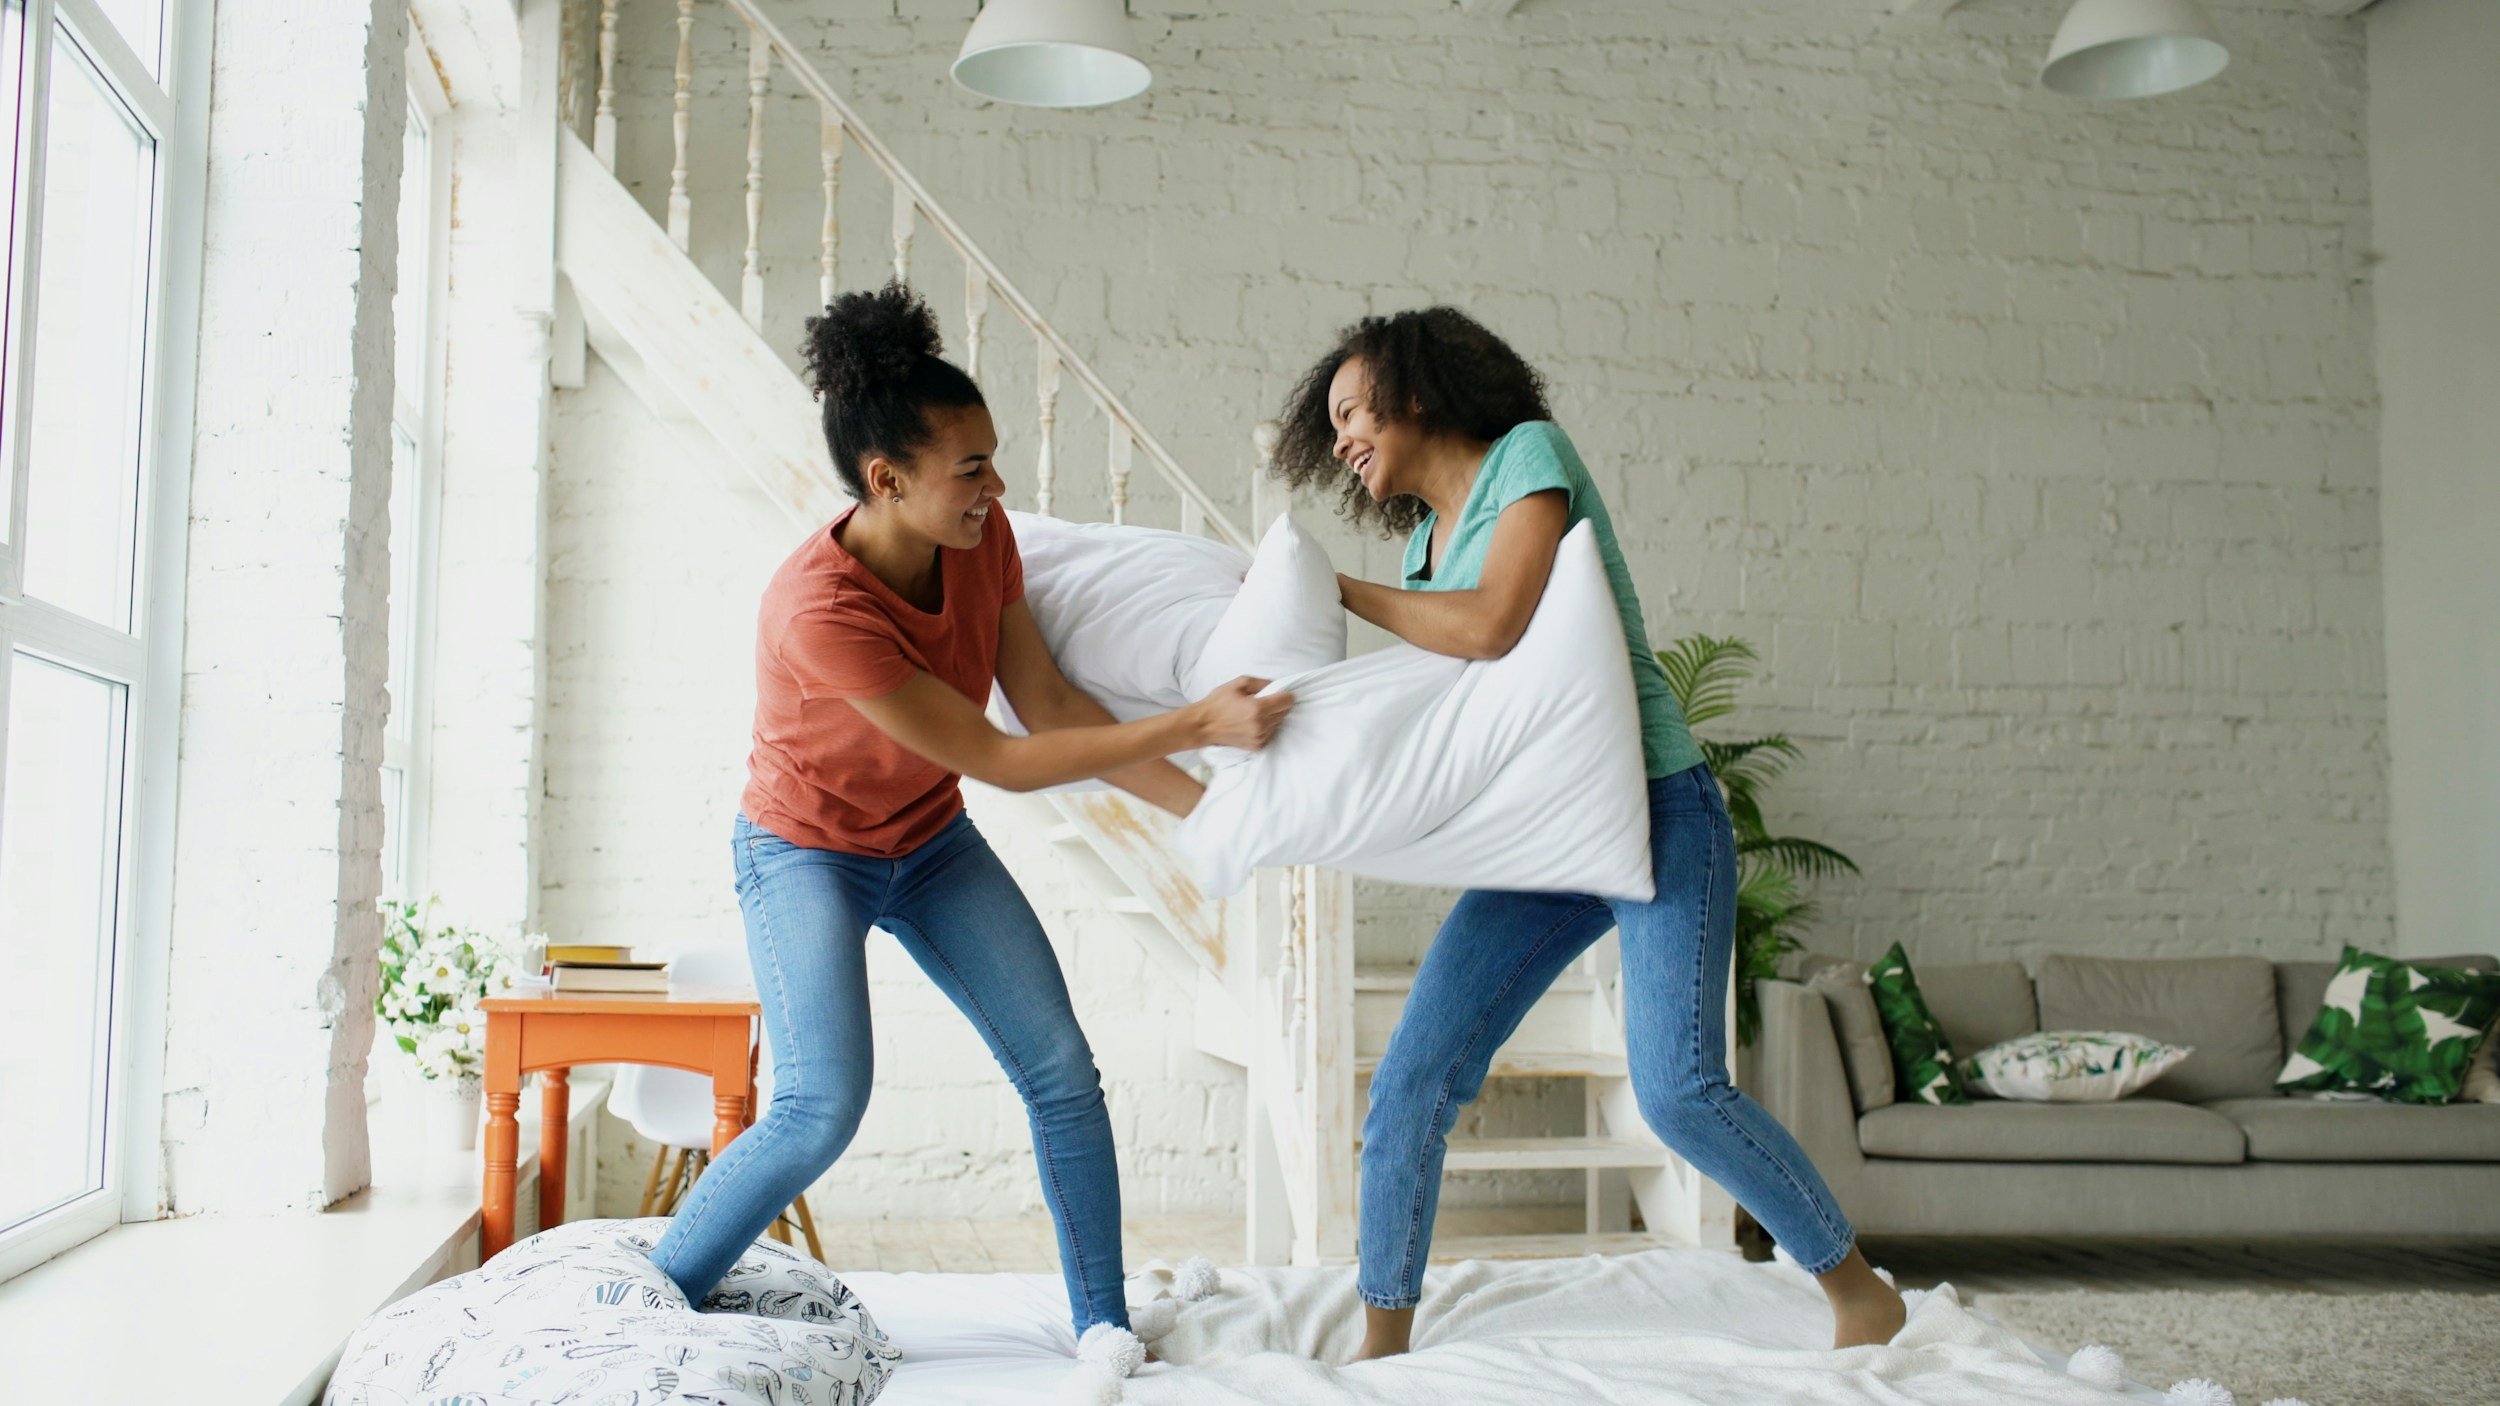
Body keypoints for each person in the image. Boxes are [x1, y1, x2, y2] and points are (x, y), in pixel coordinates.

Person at [646, 281, 1292, 1336]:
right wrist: (1192, 725)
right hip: (804, 850)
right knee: (819, 1105)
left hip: (928, 842)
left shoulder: (980, 543)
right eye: (973, 466)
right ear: (886, 479)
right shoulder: (818, 610)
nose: (998, 484)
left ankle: (1103, 1329)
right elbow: (1001, 755)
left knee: (1061, 1072)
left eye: (993, 457)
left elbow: (1047, 703)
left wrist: (1216, 812)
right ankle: (656, 1292)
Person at [1268, 306, 1905, 1359]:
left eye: (1351, 411)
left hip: (1653, 805)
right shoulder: (1424, 549)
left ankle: (1855, 1287)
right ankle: (1383, 1340)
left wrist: (1332, 587)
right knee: (1411, 1082)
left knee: (1678, 1091)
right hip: (1541, 841)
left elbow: (1494, 623)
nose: (1339, 440)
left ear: (1413, 390)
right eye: (1329, 426)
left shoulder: (1529, 456)